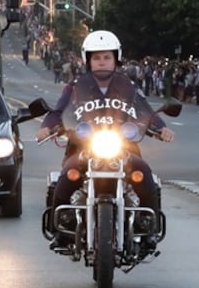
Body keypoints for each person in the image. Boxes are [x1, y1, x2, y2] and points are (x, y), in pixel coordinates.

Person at [35, 30, 175, 251]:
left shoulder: (128, 87)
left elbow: (146, 111)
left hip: (123, 148)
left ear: (116, 58)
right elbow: (59, 110)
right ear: (88, 60)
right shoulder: (75, 87)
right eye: (97, 57)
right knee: (66, 177)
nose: (102, 62)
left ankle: (148, 231)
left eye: (107, 57)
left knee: (144, 176)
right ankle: (60, 230)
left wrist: (161, 128)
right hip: (84, 148)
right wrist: (46, 127)